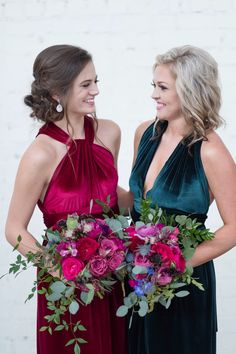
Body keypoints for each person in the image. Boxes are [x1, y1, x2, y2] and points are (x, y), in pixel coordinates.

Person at [5, 44, 127, 354]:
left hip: (111, 277)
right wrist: (59, 268)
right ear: (58, 93)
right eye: (86, 84)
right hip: (67, 284)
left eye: (96, 81)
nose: (95, 91)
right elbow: (14, 228)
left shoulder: (110, 133)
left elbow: (113, 200)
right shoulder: (40, 153)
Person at [128, 45, 236, 354]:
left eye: (162, 87)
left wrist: (175, 266)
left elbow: (234, 227)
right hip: (139, 280)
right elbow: (136, 201)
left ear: (190, 90)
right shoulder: (144, 133)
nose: (154, 95)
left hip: (184, 282)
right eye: (154, 86)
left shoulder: (210, 151)